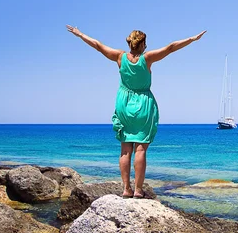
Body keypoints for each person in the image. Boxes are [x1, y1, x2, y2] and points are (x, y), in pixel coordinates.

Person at [66, 25, 206, 198]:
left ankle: (126, 189)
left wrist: (80, 34)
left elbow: (97, 45)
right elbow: (170, 48)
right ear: (142, 44)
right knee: (140, 149)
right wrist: (192, 39)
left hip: (124, 104)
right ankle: (138, 190)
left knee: (125, 149)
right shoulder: (146, 59)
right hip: (143, 105)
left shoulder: (119, 57)